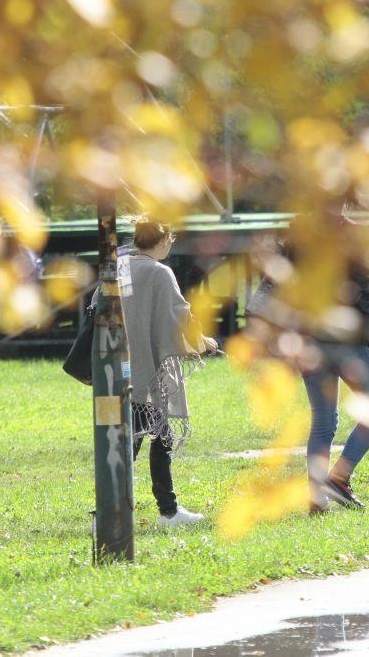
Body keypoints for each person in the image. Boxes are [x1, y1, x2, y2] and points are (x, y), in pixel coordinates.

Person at [259, 212, 369, 514]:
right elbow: (366, 298)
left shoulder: (296, 237)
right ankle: (339, 478)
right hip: (345, 341)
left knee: (323, 419)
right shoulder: (353, 237)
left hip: (309, 341)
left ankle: (316, 499)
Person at [113, 216, 218, 527]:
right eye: (171, 241)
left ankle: (116, 510)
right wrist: (204, 342)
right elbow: (180, 316)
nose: (170, 246)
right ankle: (167, 512)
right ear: (162, 241)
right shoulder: (160, 273)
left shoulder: (119, 267)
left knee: (134, 437)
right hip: (151, 372)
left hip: (120, 368)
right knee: (156, 437)